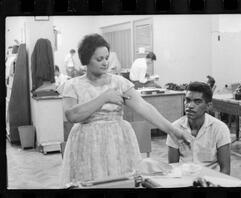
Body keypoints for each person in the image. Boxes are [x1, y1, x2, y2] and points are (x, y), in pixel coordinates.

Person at [60, 34, 193, 187]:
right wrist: (104, 97)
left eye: (106, 58)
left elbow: (144, 107)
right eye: (99, 59)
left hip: (118, 142)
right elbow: (72, 115)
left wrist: (172, 130)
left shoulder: (119, 82)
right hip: (87, 144)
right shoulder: (73, 85)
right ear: (86, 60)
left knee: (122, 183)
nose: (105, 63)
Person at [166, 81, 231, 175]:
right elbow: (173, 166)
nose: (190, 106)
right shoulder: (175, 128)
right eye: (187, 100)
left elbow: (225, 170)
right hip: (184, 180)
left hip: (210, 182)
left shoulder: (220, 129)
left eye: (197, 101)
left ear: (208, 106)